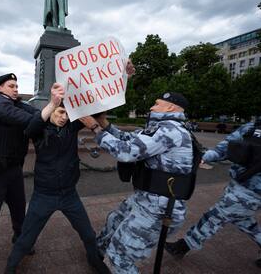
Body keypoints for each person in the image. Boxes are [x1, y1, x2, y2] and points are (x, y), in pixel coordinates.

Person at [165, 90, 261, 270]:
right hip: (240, 182)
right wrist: (205, 157)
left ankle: (183, 246)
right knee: (243, 220)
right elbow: (228, 145)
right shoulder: (255, 125)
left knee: (216, 215)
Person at [79, 92, 195, 274]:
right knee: (114, 220)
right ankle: (97, 257)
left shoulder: (170, 130)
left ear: (170, 107)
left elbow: (127, 152)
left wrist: (94, 127)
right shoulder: (162, 127)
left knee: (120, 257)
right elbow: (128, 139)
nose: (151, 107)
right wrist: (103, 122)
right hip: (147, 199)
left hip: (159, 208)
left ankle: (113, 263)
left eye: (156, 104)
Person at [0, 73, 65, 274]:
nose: (15, 89)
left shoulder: (16, 104)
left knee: (19, 208)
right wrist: (43, 116)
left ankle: (18, 238)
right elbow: (13, 115)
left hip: (13, 169)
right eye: (11, 85)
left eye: (17, 85)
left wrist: (54, 105)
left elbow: (35, 112)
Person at [4, 102, 110, 274]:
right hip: (44, 196)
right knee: (25, 239)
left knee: (89, 235)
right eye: (60, 112)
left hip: (69, 195)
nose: (63, 117)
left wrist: (122, 77)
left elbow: (96, 111)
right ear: (51, 111)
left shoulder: (71, 126)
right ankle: (10, 267)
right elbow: (30, 129)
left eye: (67, 114)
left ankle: (94, 260)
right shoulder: (39, 130)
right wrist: (53, 102)